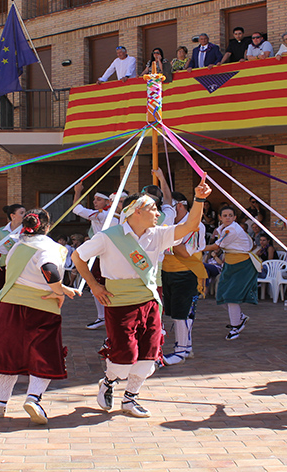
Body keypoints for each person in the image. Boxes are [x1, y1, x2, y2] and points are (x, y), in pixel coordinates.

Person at [72, 177, 212, 419]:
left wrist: (199, 199)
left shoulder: (157, 234)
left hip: (149, 298)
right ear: (136, 212)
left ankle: (130, 398)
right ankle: (109, 380)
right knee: (125, 355)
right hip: (118, 300)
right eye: (153, 209)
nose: (158, 213)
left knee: (150, 352)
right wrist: (94, 285)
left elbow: (189, 227)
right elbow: (78, 257)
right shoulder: (108, 236)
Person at [0, 209, 80, 424]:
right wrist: (59, 290)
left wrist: (60, 287)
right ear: (47, 226)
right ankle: (33, 398)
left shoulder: (17, 245)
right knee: (44, 354)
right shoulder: (49, 247)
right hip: (40, 308)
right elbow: (49, 271)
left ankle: (0, 404)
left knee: (8, 355)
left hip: (9, 306)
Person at [158, 192, 206, 365]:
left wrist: (167, 239)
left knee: (182, 313)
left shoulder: (196, 225)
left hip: (187, 273)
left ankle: (181, 350)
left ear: (179, 206)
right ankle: (186, 347)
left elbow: (186, 252)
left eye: (168, 207)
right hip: (168, 272)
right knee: (176, 313)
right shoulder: (169, 225)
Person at [203, 205, 258, 341]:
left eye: (230, 215)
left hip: (242, 265)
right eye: (225, 215)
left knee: (231, 296)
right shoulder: (222, 229)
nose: (228, 218)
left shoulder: (232, 229)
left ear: (234, 217)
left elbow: (216, 246)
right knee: (222, 293)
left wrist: (195, 248)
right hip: (230, 264)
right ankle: (239, 317)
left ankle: (235, 327)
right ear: (220, 217)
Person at [71, 184, 118, 330]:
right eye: (94, 199)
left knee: (98, 285)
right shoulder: (106, 214)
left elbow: (77, 209)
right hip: (104, 254)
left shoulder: (103, 215)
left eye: (98, 199)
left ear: (108, 202)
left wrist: (78, 192)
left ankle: (103, 317)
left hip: (105, 255)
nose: (95, 202)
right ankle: (105, 316)